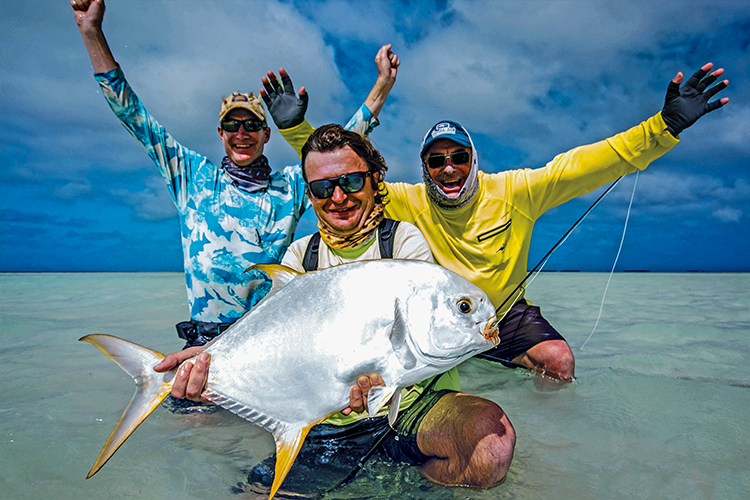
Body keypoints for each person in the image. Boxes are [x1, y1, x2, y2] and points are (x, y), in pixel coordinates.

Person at [282, 62, 730, 381]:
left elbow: (583, 166)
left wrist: (664, 126)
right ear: (424, 168)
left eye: (458, 156)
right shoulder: (403, 198)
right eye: (435, 160)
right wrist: (295, 130)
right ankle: (469, 361)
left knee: (559, 363)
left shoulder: (515, 191)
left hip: (501, 313)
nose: (448, 168)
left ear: (474, 160)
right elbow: (339, 173)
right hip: (437, 317)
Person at [155, 125, 516, 495]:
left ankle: (402, 485)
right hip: (323, 425)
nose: (338, 197)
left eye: (352, 181)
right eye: (322, 188)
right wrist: (210, 365)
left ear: (375, 181)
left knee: (491, 445)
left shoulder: (402, 241)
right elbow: (267, 347)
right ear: (310, 196)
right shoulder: (300, 257)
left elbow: (421, 345)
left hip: (413, 409)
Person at [71, 0, 398, 348]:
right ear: (221, 132)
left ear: (266, 133)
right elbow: (134, 116)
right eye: (232, 124)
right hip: (203, 342)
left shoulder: (289, 188)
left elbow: (338, 157)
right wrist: (91, 33)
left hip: (264, 339)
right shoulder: (192, 177)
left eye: (252, 124)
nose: (241, 132)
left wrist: (382, 87)